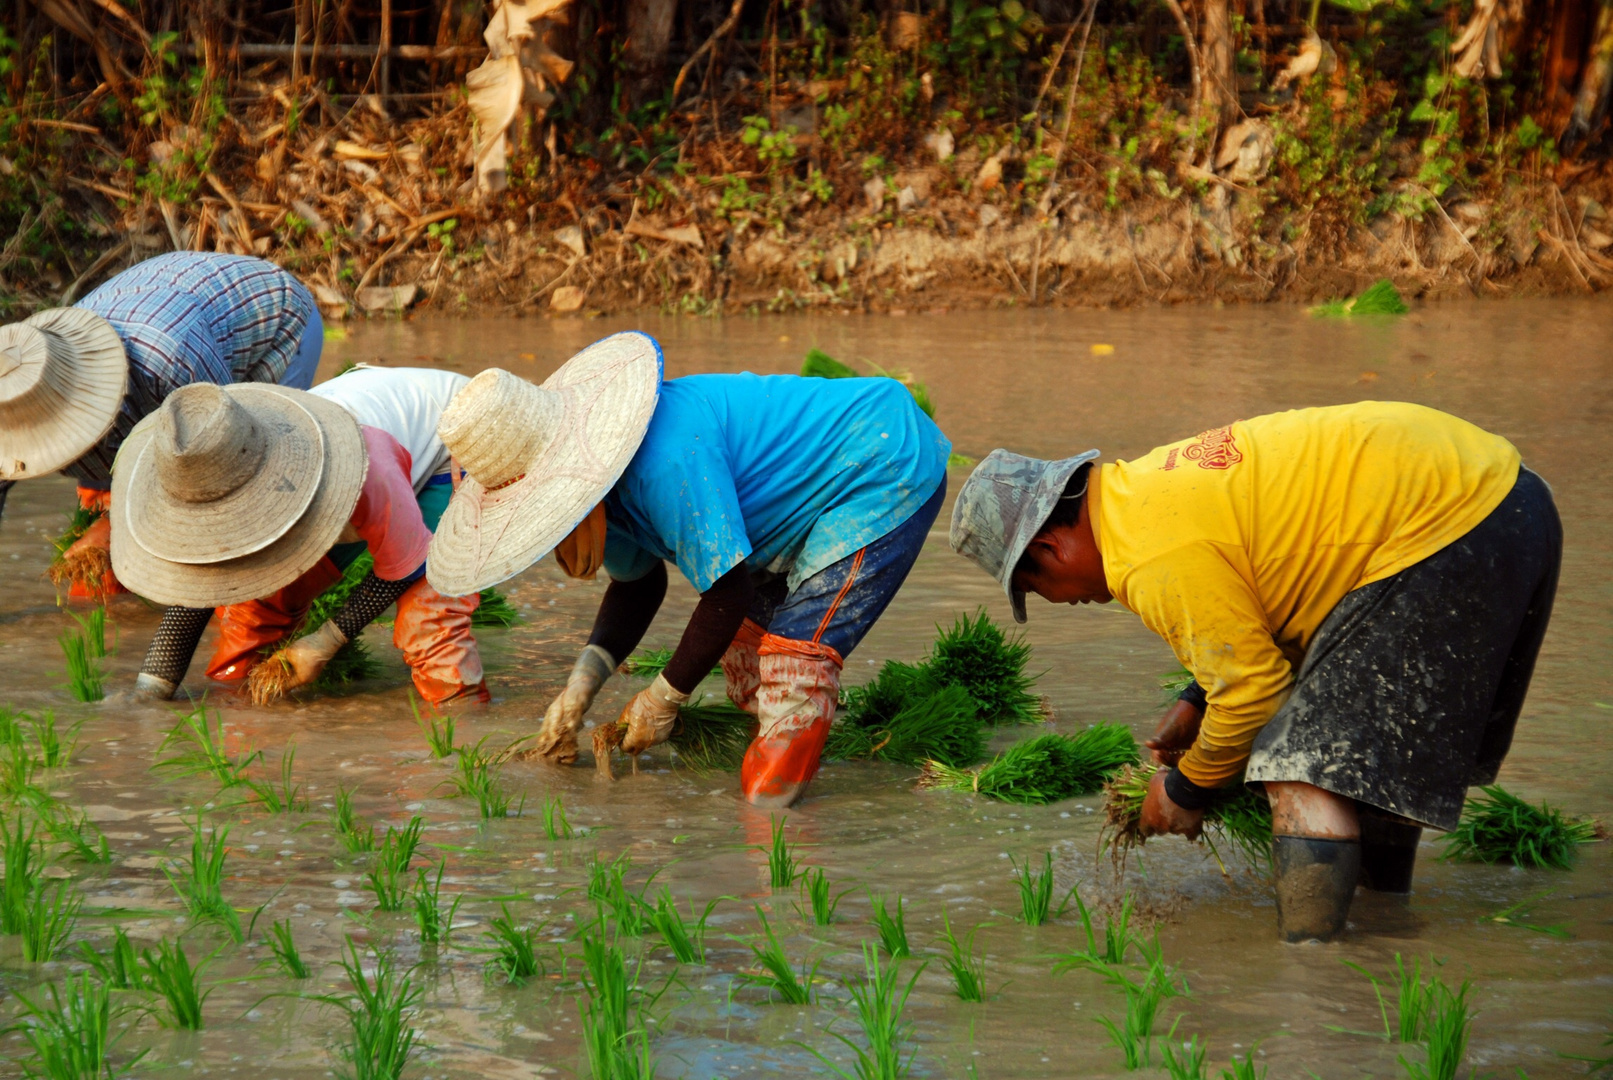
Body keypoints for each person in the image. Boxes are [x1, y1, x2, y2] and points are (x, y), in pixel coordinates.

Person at [949, 402, 1560, 942]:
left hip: (1451, 523)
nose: (1060, 602)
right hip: (1509, 499)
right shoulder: (1146, 494)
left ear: (1052, 548)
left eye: (1035, 586)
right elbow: (1280, 582)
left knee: (1298, 766)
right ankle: (1382, 929)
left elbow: (1254, 694)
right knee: (1362, 765)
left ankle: (1313, 987)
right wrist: (1196, 699)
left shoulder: (1148, 555)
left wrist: (1184, 790)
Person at [427, 332, 952, 808]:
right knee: (747, 660)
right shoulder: (598, 495)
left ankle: (771, 836)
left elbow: (727, 594)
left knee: (795, 672)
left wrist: (663, 698)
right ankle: (804, 759)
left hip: (878, 463)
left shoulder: (663, 462)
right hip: (787, 517)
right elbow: (638, 586)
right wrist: (582, 684)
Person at [113, 365, 488, 705]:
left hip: (450, 437)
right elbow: (201, 583)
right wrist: (150, 691)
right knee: (254, 608)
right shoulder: (220, 468)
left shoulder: (367, 466)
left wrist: (324, 642)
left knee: (429, 620)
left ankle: (461, 732)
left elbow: (408, 563)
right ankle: (241, 710)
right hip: (354, 456)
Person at [0, 252, 322, 599]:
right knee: (95, 579)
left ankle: (255, 608)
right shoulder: (16, 384)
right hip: (156, 307)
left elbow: (217, 458)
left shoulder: (169, 361)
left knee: (242, 500)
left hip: (273, 321)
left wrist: (115, 526)